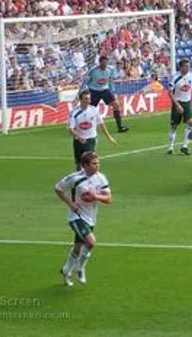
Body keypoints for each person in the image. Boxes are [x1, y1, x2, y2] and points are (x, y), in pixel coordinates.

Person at [55, 151, 112, 286]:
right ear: (85, 165)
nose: (97, 166)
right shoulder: (74, 178)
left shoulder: (101, 178)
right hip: (76, 216)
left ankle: (66, 271)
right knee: (91, 242)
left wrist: (96, 197)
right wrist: (70, 203)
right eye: (94, 163)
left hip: (90, 216)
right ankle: (80, 268)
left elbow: (109, 199)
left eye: (98, 163)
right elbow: (58, 188)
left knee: (78, 247)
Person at [68, 90, 117, 170]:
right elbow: (71, 129)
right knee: (79, 164)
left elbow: (101, 124)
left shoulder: (94, 110)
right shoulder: (74, 112)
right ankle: (80, 181)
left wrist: (109, 137)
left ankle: (92, 180)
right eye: (86, 99)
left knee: (90, 163)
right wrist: (79, 137)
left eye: (89, 98)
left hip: (90, 139)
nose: (88, 101)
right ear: (81, 100)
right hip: (78, 141)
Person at [80, 55, 129, 133]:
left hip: (104, 90)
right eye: (103, 64)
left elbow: (111, 80)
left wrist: (112, 91)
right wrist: (81, 92)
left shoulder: (110, 69)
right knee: (88, 110)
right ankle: (83, 127)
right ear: (99, 63)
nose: (104, 65)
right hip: (93, 91)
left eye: (106, 64)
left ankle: (120, 127)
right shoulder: (93, 70)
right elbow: (85, 81)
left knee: (116, 105)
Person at [167, 59, 192, 155]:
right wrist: (177, 105)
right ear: (181, 67)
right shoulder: (174, 77)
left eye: (189, 66)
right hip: (177, 102)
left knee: (191, 123)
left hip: (187, 102)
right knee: (174, 126)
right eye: (186, 66)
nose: (188, 68)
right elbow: (170, 93)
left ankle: (184, 145)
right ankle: (170, 147)